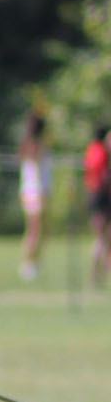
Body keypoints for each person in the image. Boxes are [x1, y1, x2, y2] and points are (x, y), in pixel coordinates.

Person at [17, 112, 52, 281]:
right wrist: (41, 193)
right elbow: (37, 170)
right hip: (36, 191)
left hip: (29, 190)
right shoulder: (36, 146)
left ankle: (33, 263)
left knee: (35, 230)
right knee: (35, 231)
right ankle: (29, 264)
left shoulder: (27, 144)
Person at [86, 123, 109, 289]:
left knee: (101, 239)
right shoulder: (101, 152)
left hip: (94, 195)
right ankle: (96, 276)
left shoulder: (92, 149)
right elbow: (103, 178)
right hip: (102, 197)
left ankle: (96, 276)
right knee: (102, 239)